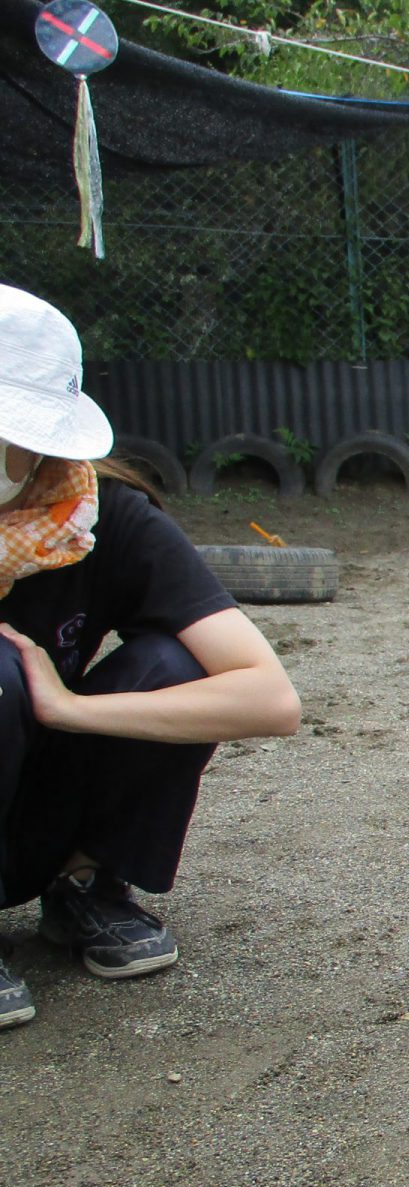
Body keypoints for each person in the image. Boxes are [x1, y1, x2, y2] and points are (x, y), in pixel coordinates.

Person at [0, 285, 302, 1031]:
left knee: (178, 666)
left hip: (32, 798)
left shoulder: (99, 515)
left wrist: (68, 707)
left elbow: (270, 698)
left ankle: (84, 881)